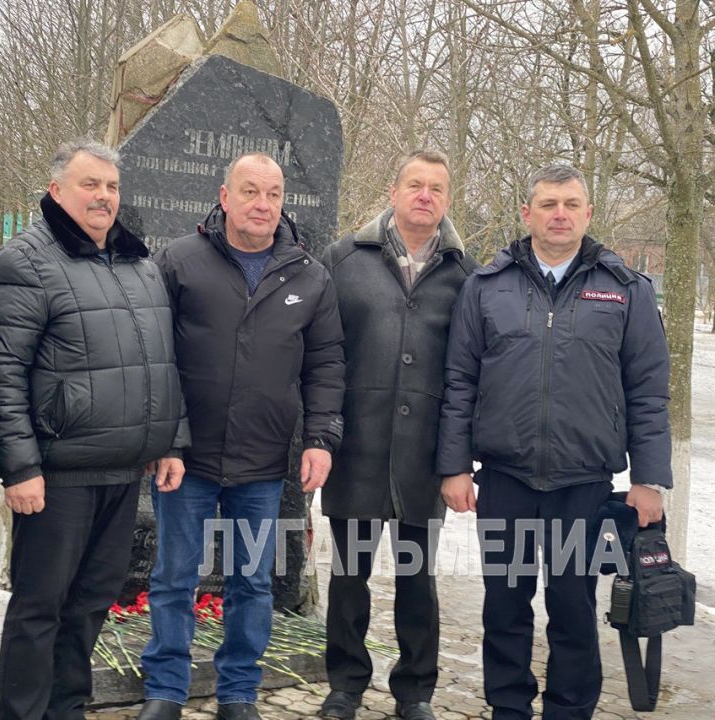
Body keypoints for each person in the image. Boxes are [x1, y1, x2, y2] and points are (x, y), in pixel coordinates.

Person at [437, 164, 671, 720]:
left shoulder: (626, 290)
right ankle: (508, 707)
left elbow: (647, 390)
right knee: (505, 606)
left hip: (583, 483)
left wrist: (649, 479)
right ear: (528, 213)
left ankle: (570, 709)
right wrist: (454, 466)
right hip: (506, 479)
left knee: (573, 609)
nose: (559, 214)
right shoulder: (486, 287)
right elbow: (459, 382)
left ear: (588, 213)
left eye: (570, 204)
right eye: (548, 204)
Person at [0, 139, 189, 720]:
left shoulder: (138, 264)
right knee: (40, 609)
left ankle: (66, 709)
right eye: (89, 184)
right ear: (56, 190)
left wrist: (170, 439)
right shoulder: (23, 264)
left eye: (111, 186)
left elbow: (162, 361)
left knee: (91, 603)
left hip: (122, 472)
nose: (103, 196)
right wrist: (19, 467)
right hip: (58, 475)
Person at [138, 152, 345, 720]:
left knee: (251, 581)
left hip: (263, 462)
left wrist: (320, 439)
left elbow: (326, 365)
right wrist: (167, 440)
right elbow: (155, 356)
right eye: (250, 191)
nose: (262, 204)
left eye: (273, 194)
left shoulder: (310, 276)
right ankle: (166, 689)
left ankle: (237, 692)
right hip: (187, 459)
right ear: (225, 197)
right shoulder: (180, 261)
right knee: (174, 577)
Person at [319, 150, 477, 720]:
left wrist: (457, 459)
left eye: (436, 188)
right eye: (415, 184)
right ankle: (345, 684)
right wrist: (323, 434)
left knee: (417, 580)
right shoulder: (344, 260)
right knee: (348, 578)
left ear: (447, 200)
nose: (425, 196)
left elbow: (468, 373)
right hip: (356, 449)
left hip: (424, 456)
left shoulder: (465, 276)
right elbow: (323, 354)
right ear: (394, 191)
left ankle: (415, 691)